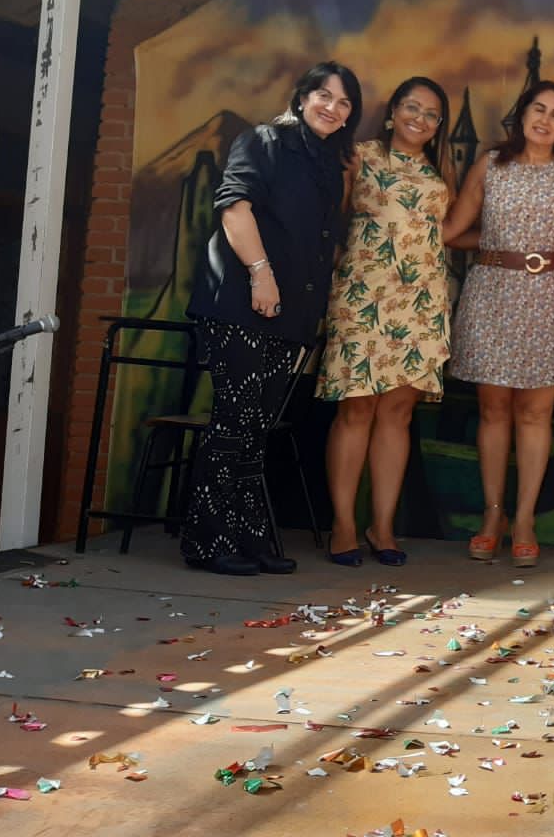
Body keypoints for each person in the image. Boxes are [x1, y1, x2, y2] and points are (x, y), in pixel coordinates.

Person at [183, 62, 361, 576]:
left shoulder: (328, 164)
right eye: (324, 95)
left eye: (344, 102)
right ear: (302, 97)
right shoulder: (263, 141)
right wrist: (261, 275)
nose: (332, 107)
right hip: (242, 304)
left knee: (257, 429)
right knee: (234, 422)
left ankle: (251, 541)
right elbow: (234, 209)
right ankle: (208, 543)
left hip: (290, 317)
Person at [445, 81, 554, 566]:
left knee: (535, 413)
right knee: (493, 410)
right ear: (522, 114)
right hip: (494, 294)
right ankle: (493, 516)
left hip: (552, 297)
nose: (544, 119)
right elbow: (453, 231)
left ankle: (525, 518)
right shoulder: (491, 164)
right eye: (537, 109)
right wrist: (497, 248)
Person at [317, 77, 454, 569]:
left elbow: (447, 230)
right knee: (356, 410)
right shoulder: (360, 156)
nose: (421, 118)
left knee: (397, 414)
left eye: (432, 113)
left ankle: (383, 526)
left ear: (439, 125)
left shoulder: (441, 170)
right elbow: (329, 219)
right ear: (393, 111)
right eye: (412, 107)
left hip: (421, 304)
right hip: (363, 298)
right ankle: (343, 525)